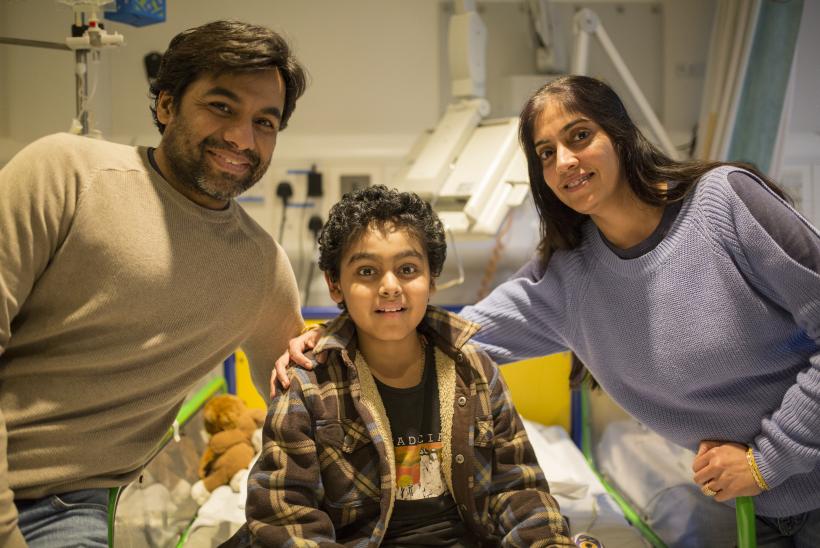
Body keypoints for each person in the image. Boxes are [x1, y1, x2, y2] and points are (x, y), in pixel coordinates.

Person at [278, 75, 820, 546]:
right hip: (758, 506)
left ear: (621, 135)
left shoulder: (723, 204)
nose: (564, 161)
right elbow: (447, 338)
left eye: (579, 136)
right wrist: (331, 339)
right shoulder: (568, 277)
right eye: (545, 152)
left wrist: (766, 461)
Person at [0, 20, 307, 547]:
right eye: (221, 107)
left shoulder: (261, 268)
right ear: (166, 105)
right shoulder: (67, 176)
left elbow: (305, 389)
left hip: (74, 505)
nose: (242, 138)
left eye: (265, 122)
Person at [231, 186, 575, 547]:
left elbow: (519, 489)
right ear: (335, 285)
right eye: (367, 271)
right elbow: (285, 515)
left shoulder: (474, 370)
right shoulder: (308, 386)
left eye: (408, 269)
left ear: (432, 279)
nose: (390, 287)